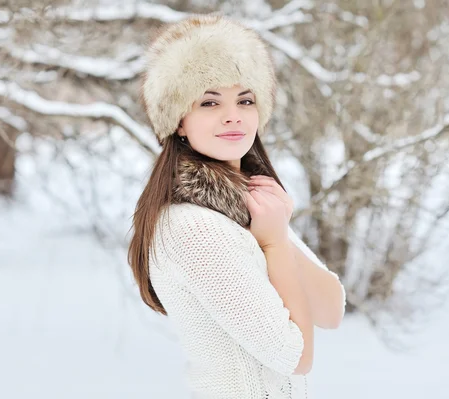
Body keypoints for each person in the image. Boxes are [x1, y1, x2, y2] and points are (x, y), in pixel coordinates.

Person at [127, 14, 346, 399]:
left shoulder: (252, 207)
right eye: (209, 101)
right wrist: (274, 244)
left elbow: (330, 312)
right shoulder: (192, 226)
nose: (233, 115)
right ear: (179, 121)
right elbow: (296, 356)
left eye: (245, 99)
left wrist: (275, 235)